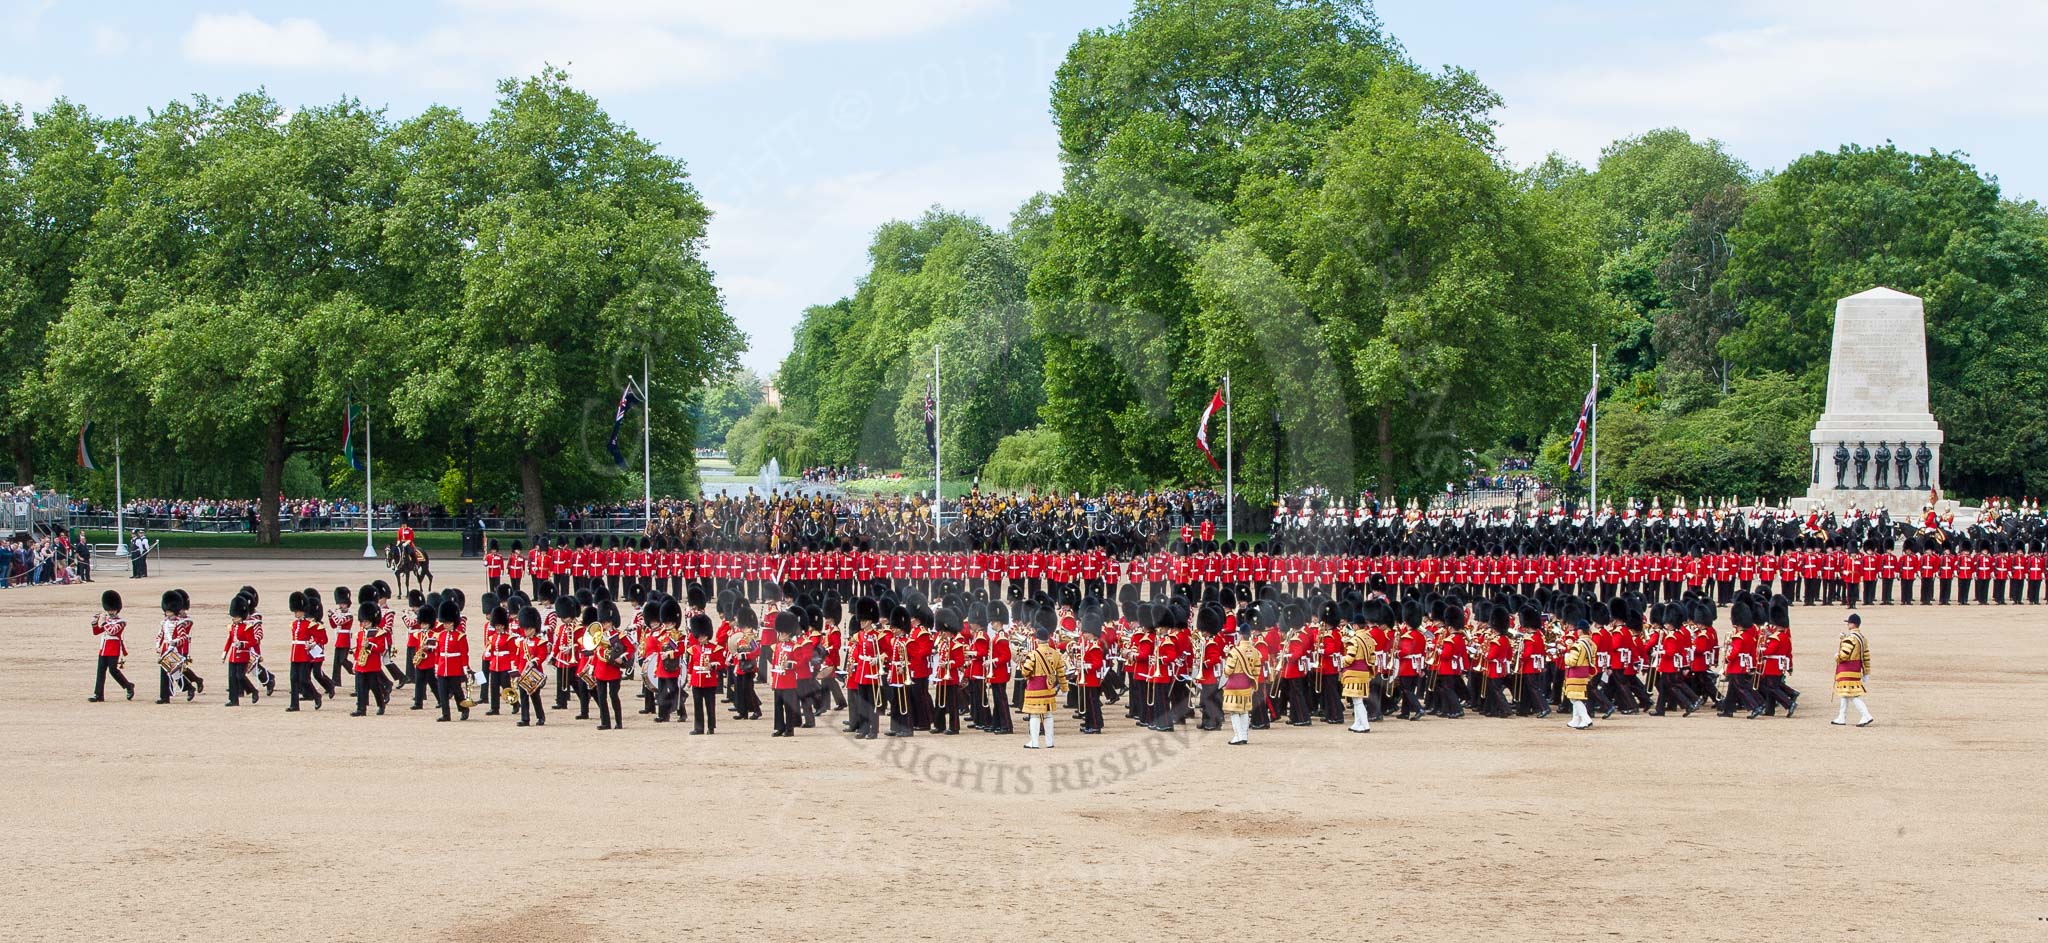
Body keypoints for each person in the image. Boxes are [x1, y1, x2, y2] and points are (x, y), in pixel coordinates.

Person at [1020, 623, 1067, 749]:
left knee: (1034, 715)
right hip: (1049, 688)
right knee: (1048, 714)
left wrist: (1021, 664)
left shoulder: (1033, 654)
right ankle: (1049, 742)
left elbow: (1026, 671)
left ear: (1036, 639)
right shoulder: (1055, 653)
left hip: (1035, 688)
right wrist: (1064, 688)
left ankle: (1034, 742)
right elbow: (1061, 672)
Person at [155, 590, 202, 703]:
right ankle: (165, 696)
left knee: (176, 671)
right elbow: (160, 635)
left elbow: (183, 637)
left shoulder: (181, 622)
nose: (167, 612)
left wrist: (175, 642)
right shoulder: (164, 623)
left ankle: (189, 686)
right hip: (165, 650)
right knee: (166, 673)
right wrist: (157, 645)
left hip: (175, 649)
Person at [89, 589, 135, 702]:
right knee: (100, 671)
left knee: (113, 670)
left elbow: (113, 631)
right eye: (109, 610)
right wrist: (95, 622)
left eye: (113, 610)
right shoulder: (108, 620)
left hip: (114, 648)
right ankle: (98, 694)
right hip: (104, 648)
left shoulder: (121, 621)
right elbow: (96, 632)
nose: (111, 612)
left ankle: (128, 686)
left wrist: (104, 622)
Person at [1221, 624, 1263, 745]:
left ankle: (1237, 736)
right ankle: (1244, 736)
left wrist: (1226, 658)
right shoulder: (1255, 651)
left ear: (1240, 636)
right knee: (1244, 710)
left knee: (1234, 711)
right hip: (1247, 683)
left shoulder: (1235, 651)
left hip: (1234, 684)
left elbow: (1228, 671)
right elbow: (1257, 669)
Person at [348, 600, 392, 716]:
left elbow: (381, 649)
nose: (364, 624)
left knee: (375, 687)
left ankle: (381, 704)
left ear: (372, 621)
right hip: (361, 665)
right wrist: (355, 662)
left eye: (367, 621)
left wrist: (370, 646)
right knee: (361, 688)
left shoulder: (379, 633)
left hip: (372, 665)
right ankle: (361, 709)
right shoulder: (360, 634)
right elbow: (357, 650)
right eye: (363, 622)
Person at [1832, 613, 1875, 727]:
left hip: (1847, 669)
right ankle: (1841, 716)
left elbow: (1844, 655)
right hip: (1856, 668)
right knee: (1844, 694)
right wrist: (1866, 672)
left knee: (1852, 695)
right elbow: (1866, 656)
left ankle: (1866, 715)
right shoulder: (1862, 638)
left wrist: (1837, 656)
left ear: (1852, 624)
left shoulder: (1850, 638)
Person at [1563, 620, 1597, 730]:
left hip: (1575, 673)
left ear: (1581, 631)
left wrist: (1566, 655)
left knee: (1574, 697)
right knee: (1577, 697)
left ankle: (1586, 719)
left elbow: (1571, 662)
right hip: (1584, 672)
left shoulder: (1578, 645)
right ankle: (1576, 719)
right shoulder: (1592, 644)